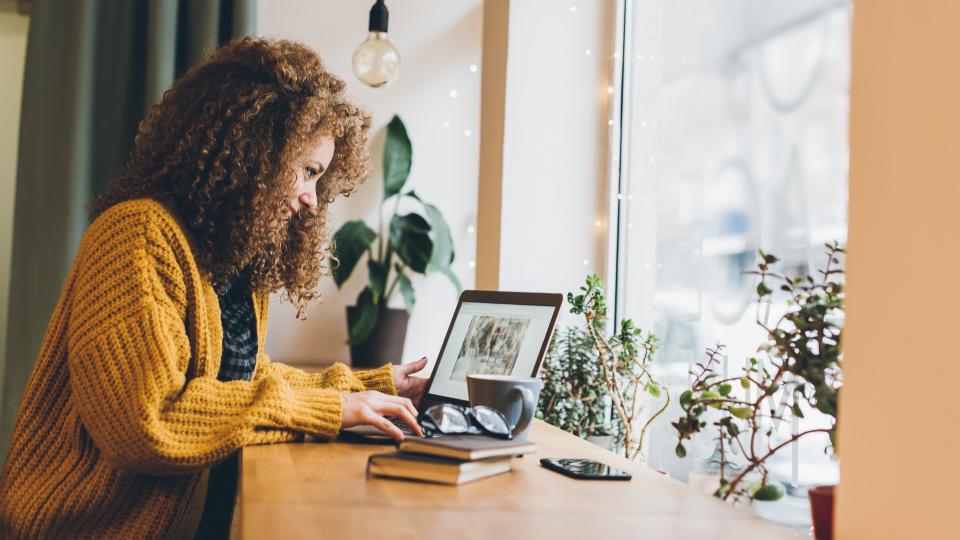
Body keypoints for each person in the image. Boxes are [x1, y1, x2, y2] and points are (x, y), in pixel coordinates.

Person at [0, 38, 427, 539]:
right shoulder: (136, 235)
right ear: (254, 151)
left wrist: (375, 385)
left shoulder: (229, 255)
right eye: (308, 171)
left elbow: (241, 383)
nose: (312, 198)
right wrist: (331, 410)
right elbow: (145, 425)